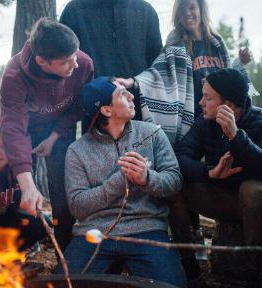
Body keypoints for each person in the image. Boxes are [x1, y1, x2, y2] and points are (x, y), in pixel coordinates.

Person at [56, 77, 187, 288]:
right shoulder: (77, 150)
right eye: (122, 94)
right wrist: (119, 180)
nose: (131, 95)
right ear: (107, 110)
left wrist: (146, 178)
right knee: (63, 285)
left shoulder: (152, 133)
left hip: (146, 229)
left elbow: (174, 181)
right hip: (93, 234)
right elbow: (78, 207)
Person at [0, 18, 94, 251]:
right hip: (27, 129)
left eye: (75, 55)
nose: (75, 65)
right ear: (42, 61)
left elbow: (78, 107)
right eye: (65, 62)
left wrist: (54, 136)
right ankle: (25, 244)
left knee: (62, 189)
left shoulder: (82, 63)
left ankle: (65, 246)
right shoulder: (14, 76)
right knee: (20, 189)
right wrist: (27, 182)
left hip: (60, 126)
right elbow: (14, 128)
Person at [117, 0, 255, 145]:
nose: (188, 13)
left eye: (192, 7)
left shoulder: (217, 44)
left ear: (201, 9)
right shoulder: (175, 44)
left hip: (220, 118)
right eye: (182, 10)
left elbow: (229, 78)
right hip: (192, 121)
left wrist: (240, 63)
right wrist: (133, 82)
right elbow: (158, 74)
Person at [173, 68, 262, 283]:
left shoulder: (259, 122)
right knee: (173, 185)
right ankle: (190, 266)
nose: (201, 102)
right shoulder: (205, 121)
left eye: (207, 97)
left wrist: (235, 136)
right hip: (220, 197)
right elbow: (179, 157)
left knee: (253, 190)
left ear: (228, 106)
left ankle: (255, 268)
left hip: (254, 205)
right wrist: (209, 172)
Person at [59, 0, 162, 122]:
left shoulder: (146, 11)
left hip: (137, 108)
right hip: (95, 110)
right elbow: (63, 65)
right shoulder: (74, 11)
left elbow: (156, 66)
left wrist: (135, 83)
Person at [0, 121, 50, 250]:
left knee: (41, 223)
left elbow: (28, 206)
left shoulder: (22, 170)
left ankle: (17, 249)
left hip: (9, 222)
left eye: (5, 146)